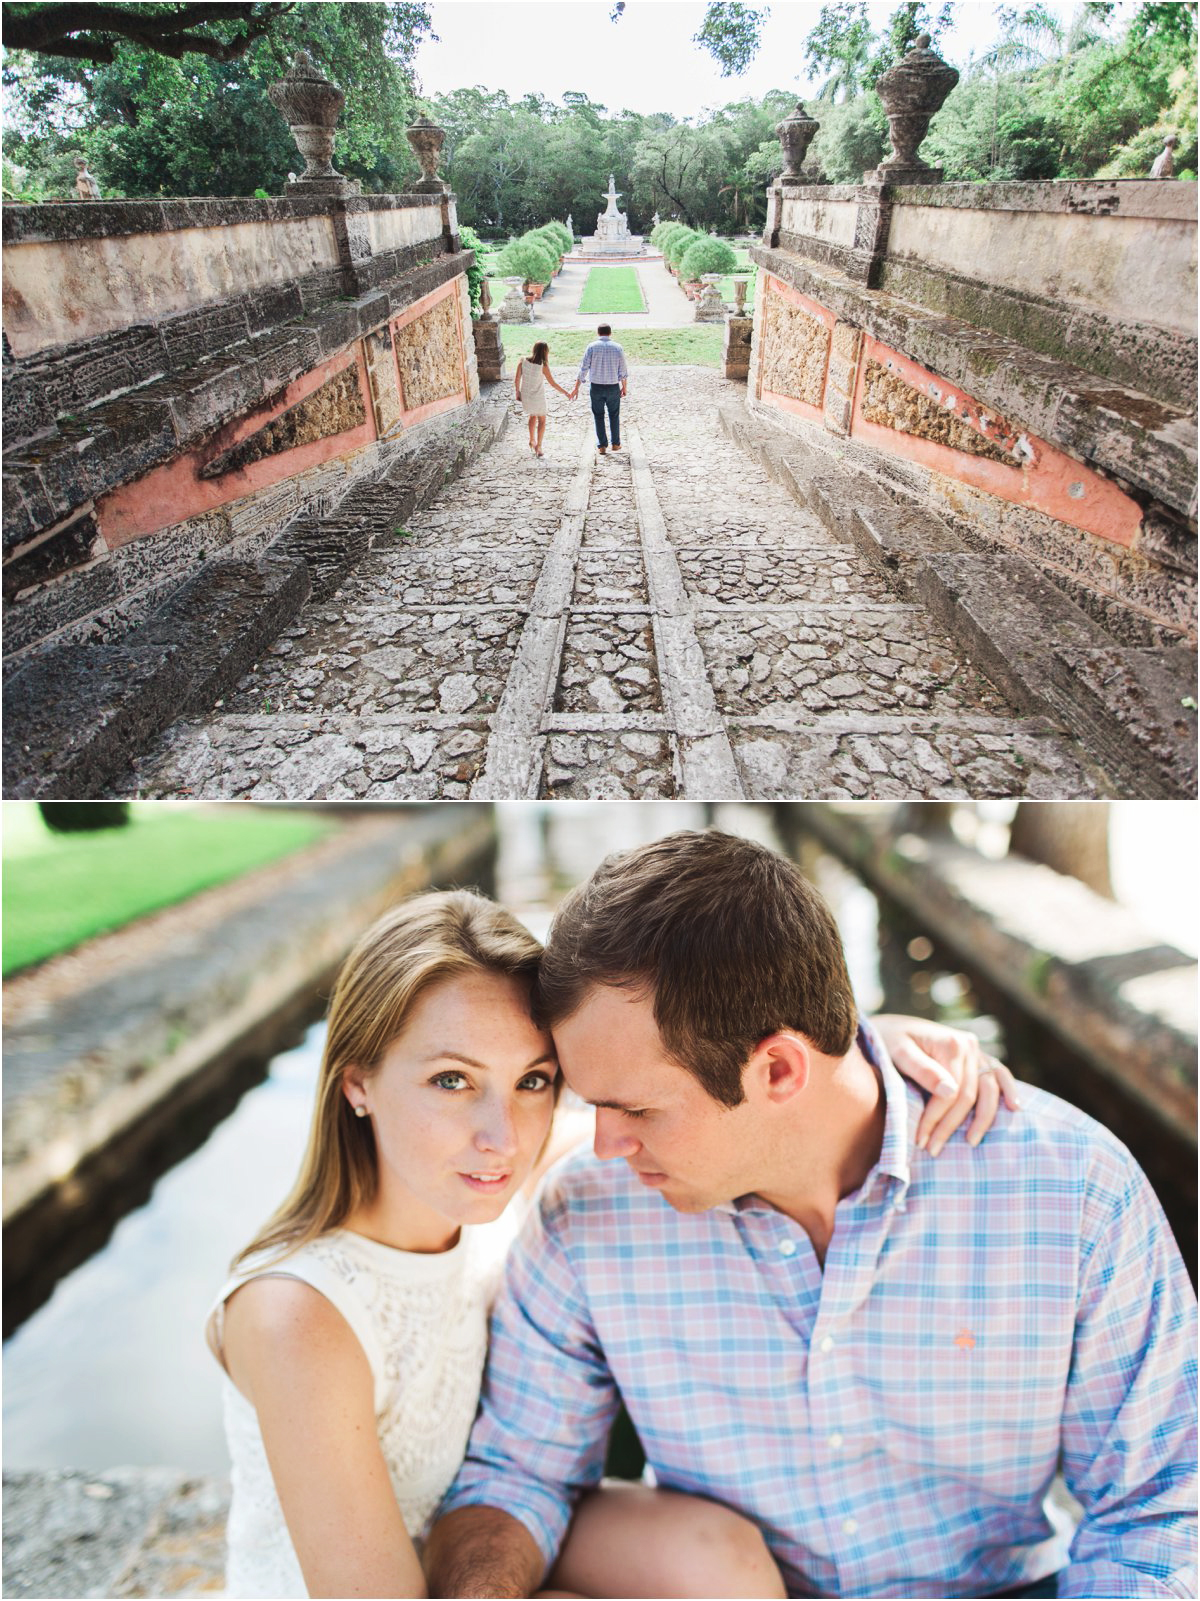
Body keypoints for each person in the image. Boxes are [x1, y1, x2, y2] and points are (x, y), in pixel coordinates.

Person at [429, 832, 1198, 1601]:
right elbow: (519, 1475)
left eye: (635, 1107)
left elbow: (1158, 1507)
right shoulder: (584, 1217)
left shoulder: (1071, 1188)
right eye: (593, 1103)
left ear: (779, 1069)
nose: (604, 1143)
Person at [205, 885, 1017, 1599]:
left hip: (486, 1545)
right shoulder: (297, 1316)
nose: (501, 1135)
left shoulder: (496, 1191)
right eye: (450, 1079)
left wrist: (880, 1045)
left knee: (718, 1559)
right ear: (357, 1083)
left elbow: (707, 1080)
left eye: (533, 1080)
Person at [571, 323, 628, 456]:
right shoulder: (618, 348)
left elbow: (583, 368)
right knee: (614, 415)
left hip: (596, 386)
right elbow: (623, 370)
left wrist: (576, 387)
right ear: (610, 333)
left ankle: (602, 446)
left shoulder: (591, 347)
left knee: (598, 415)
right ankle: (615, 443)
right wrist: (624, 387)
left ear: (598, 333)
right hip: (613, 386)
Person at [515, 340, 573, 459]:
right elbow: (553, 383)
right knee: (542, 419)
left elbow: (517, 379)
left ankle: (532, 440)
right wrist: (566, 392)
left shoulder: (522, 361)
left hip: (526, 394)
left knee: (532, 415)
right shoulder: (543, 365)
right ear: (545, 352)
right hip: (537, 396)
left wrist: (518, 392)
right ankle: (539, 446)